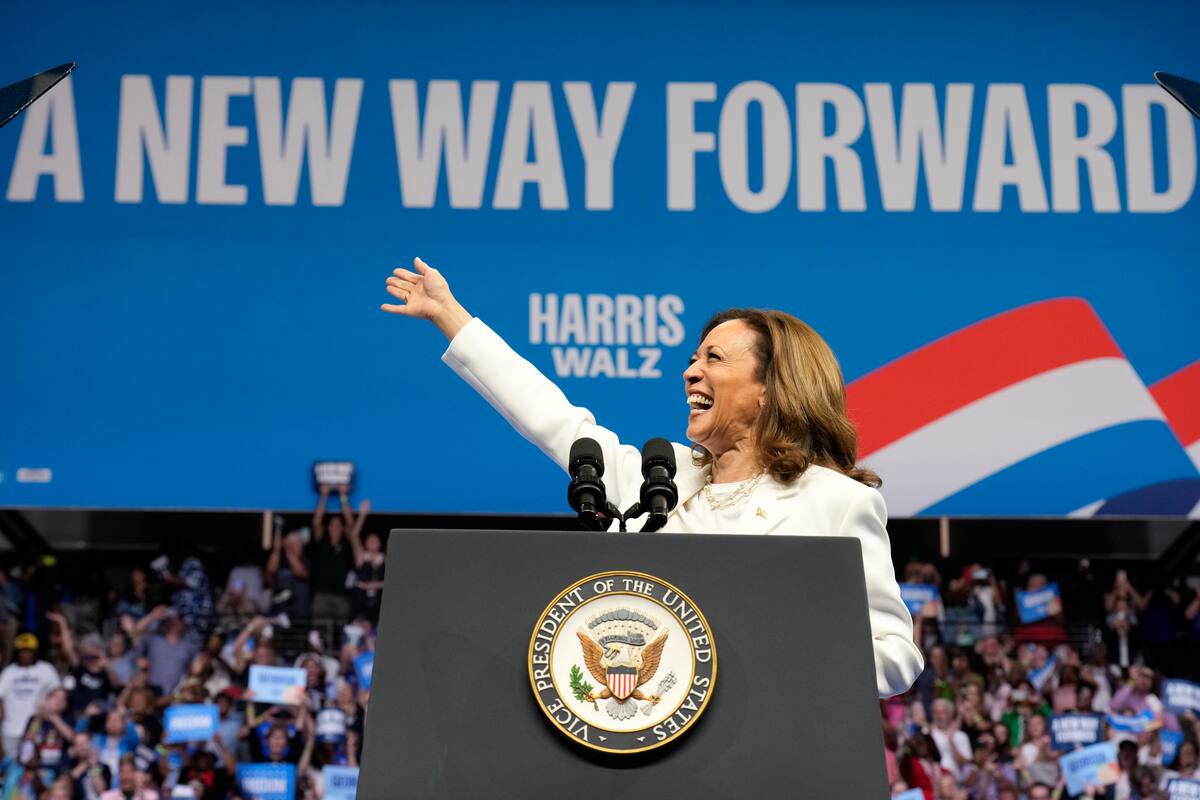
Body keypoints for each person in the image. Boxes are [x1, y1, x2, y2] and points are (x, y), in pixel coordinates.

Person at [380, 256, 923, 697]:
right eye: (693, 358)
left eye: (713, 358)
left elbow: (896, 655)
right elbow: (552, 419)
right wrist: (449, 314)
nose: (690, 371)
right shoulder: (654, 487)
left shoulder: (835, 502)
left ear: (769, 389)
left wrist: (783, 654)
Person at [310, 486, 367, 621]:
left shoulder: (347, 544)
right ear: (328, 528)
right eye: (332, 525)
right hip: (321, 594)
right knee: (319, 633)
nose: (335, 527)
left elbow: (351, 523)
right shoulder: (321, 542)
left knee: (342, 632)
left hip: (342, 595)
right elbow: (316, 523)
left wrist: (343, 496)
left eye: (338, 525)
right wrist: (323, 496)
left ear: (342, 528)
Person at [0, 633, 61, 759]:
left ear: (35, 652)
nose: (26, 654)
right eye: (22, 651)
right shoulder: (9, 672)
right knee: (11, 768)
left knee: (32, 765)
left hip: (36, 729)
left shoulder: (46, 669)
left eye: (29, 651)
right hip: (11, 729)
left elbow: (58, 694)